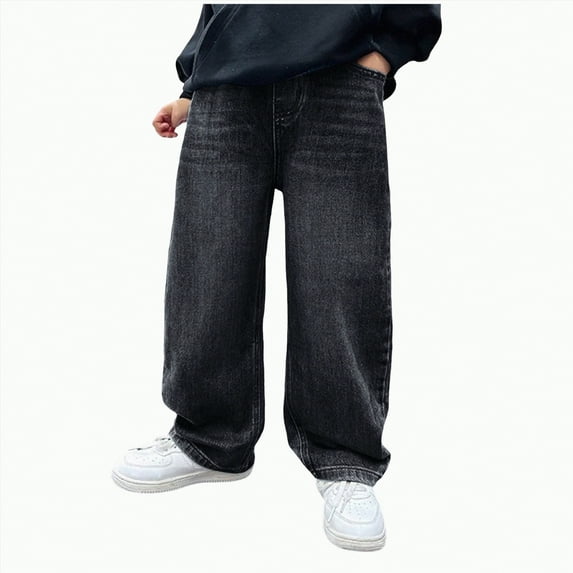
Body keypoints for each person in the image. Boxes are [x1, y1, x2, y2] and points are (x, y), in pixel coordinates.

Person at [111, 4, 442, 552]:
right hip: (225, 89)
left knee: (340, 276)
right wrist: (193, 86)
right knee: (207, 269)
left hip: (339, 78)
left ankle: (345, 460)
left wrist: (385, 52)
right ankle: (208, 439)